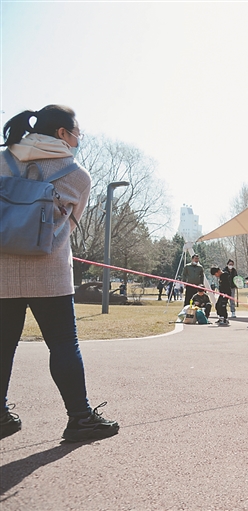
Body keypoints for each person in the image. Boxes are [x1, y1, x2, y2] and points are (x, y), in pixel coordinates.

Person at [0, 105, 119, 442]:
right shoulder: (76, 174)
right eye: (77, 132)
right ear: (62, 134)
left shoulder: (2, 160)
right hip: (49, 269)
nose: (79, 138)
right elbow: (72, 220)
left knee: (2, 345)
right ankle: (79, 419)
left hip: (1, 268)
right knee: (64, 344)